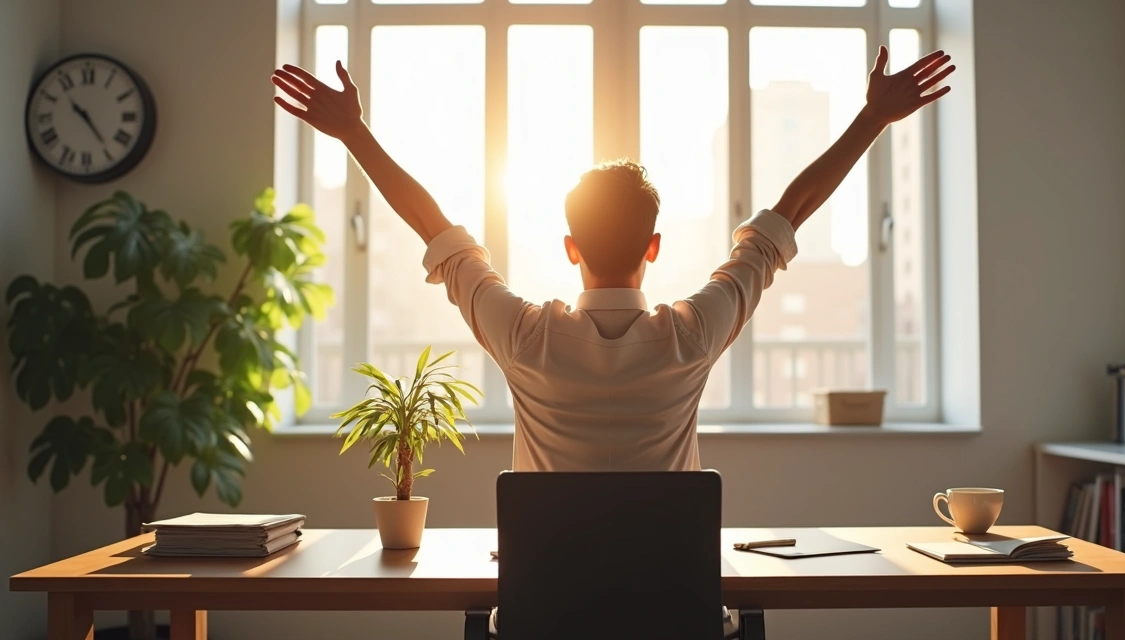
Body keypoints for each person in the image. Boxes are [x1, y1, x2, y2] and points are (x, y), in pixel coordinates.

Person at [272, 44, 953, 636]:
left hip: (544, 625)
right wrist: (872, 118)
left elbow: (436, 230)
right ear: (654, 246)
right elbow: (785, 218)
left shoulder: (523, 335)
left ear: (570, 248)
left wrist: (354, 133)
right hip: (675, 624)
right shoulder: (692, 334)